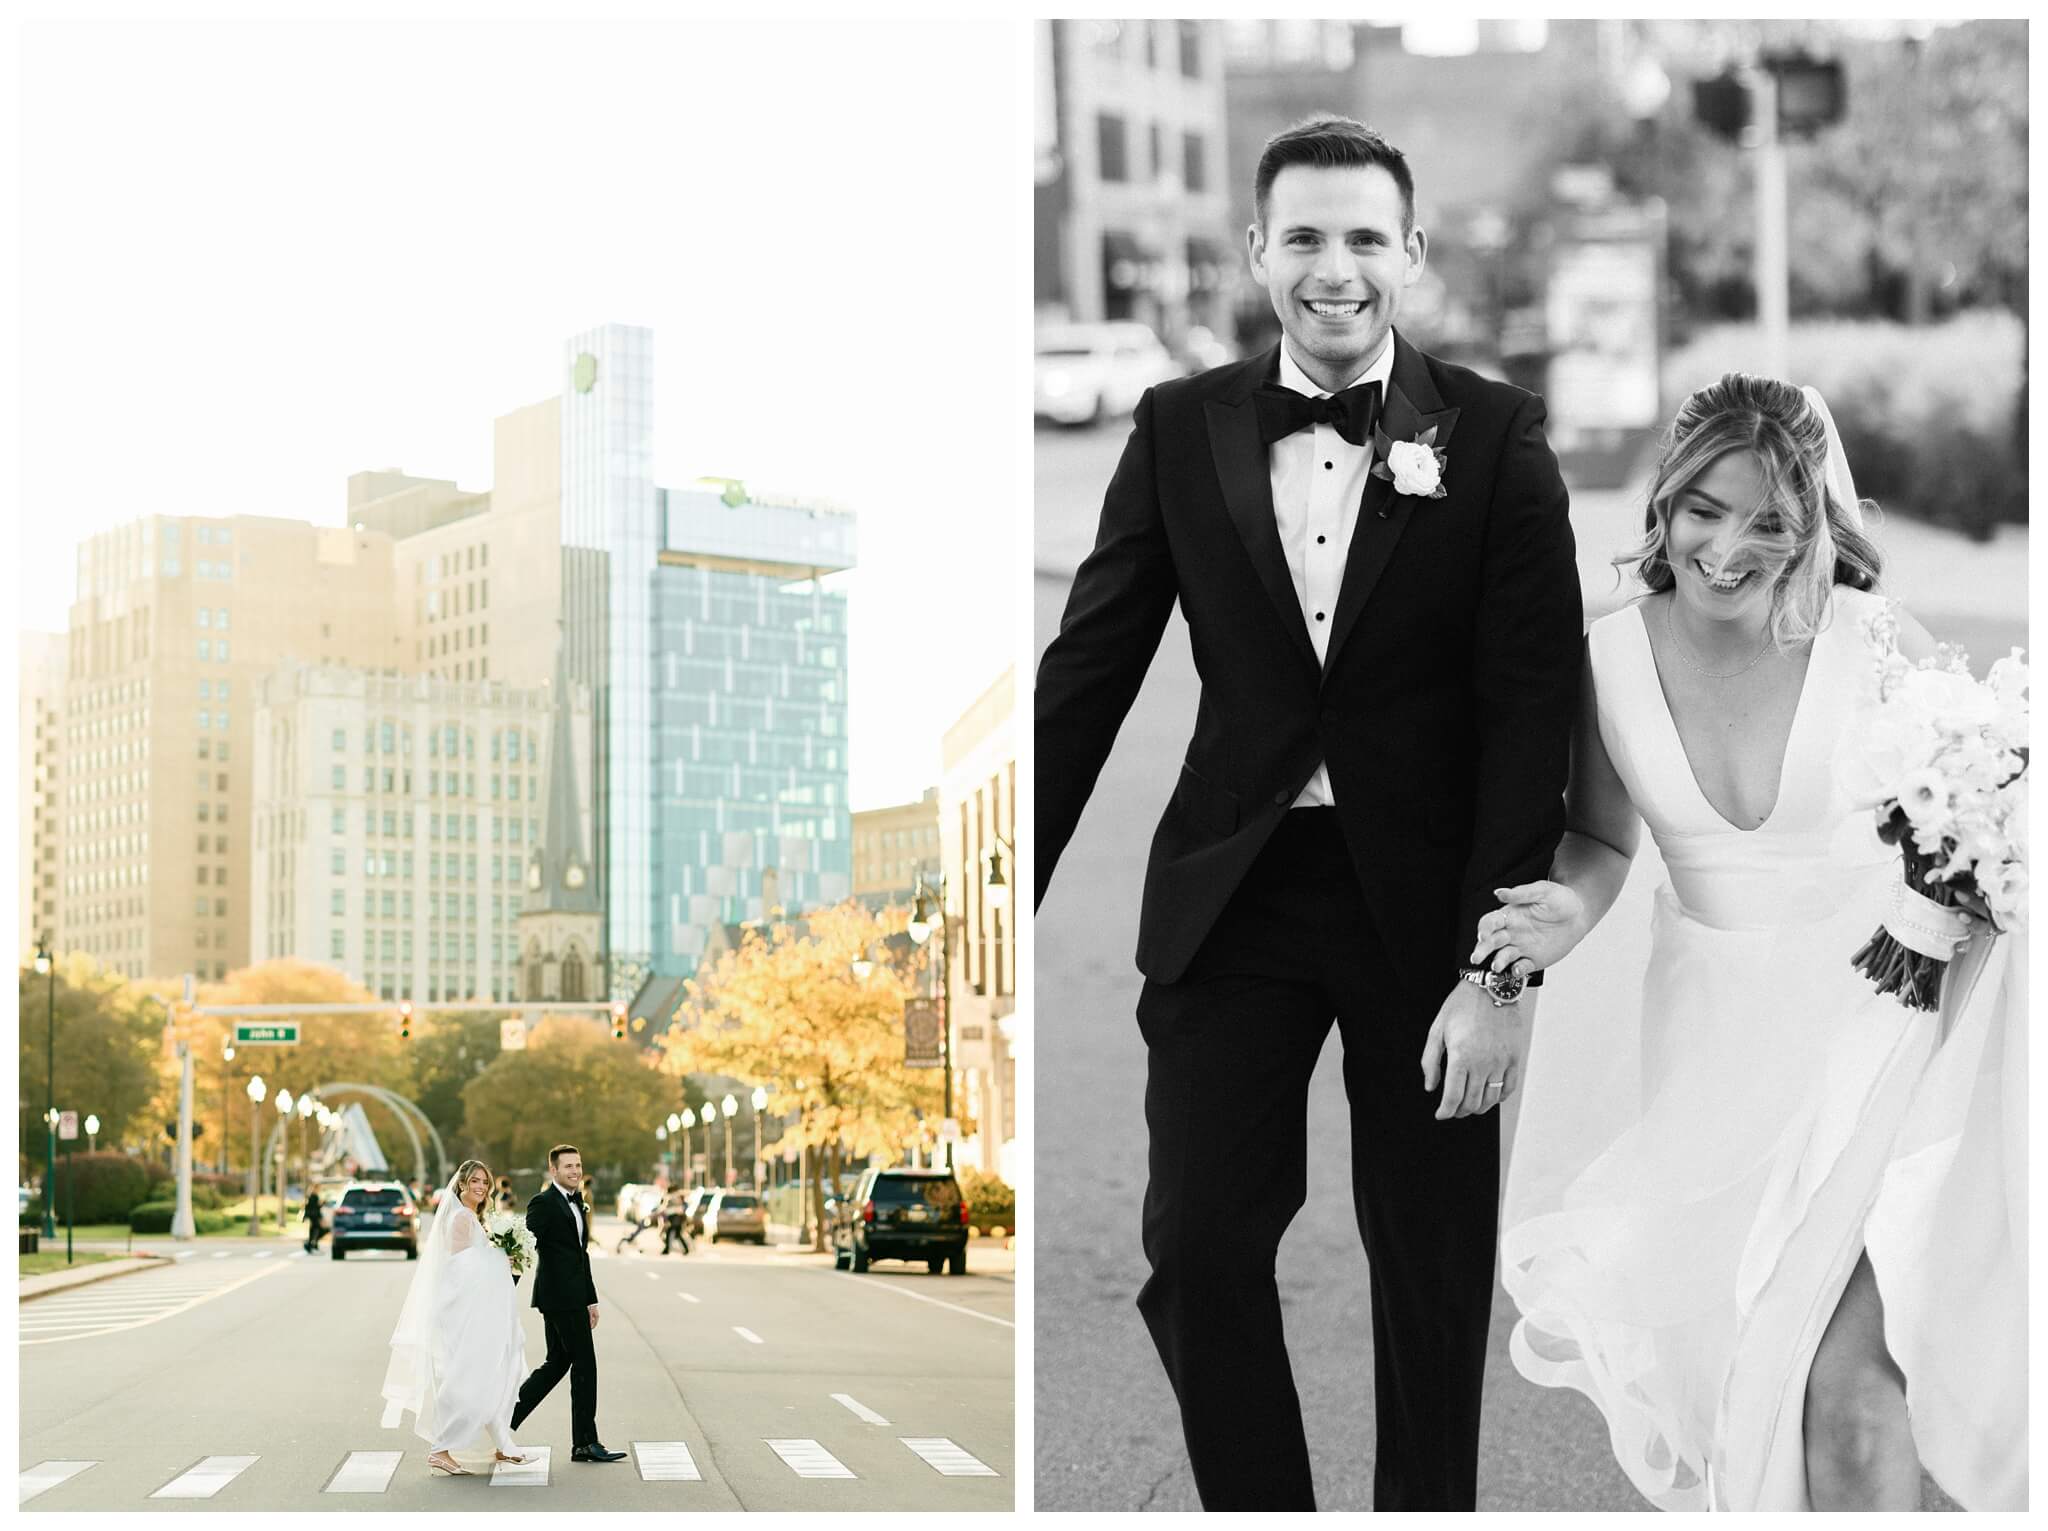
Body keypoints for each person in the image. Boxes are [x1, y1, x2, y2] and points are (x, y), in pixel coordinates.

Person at [1035, 115, 1582, 1511]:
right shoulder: (1178, 427)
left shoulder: (1499, 435)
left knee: (1431, 1270)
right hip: (1238, 890)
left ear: (1410, 255)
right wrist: (977, 913)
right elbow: (1086, 678)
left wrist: (1498, 969)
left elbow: (1532, 715)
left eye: (1361, 239)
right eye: (1303, 239)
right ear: (1257, 254)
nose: (1332, 269)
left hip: (1432, 903)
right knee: (1200, 1245)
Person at [1479, 375, 2026, 1510]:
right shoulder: (1608, 657)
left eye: (1769, 520)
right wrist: (1563, 914)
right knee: (1748, 1393)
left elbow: (1980, 825)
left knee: (1853, 1388)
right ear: (1664, 508)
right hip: (1706, 1070)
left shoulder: (1874, 642)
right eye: (1703, 510)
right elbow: (1598, 836)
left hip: (1873, 1056)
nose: (1727, 546)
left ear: (1812, 526)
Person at [381, 1159, 532, 1476]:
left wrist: (504, 1255)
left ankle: (502, 1445)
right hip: (463, 1314)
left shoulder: (473, 1217)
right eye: (475, 1181)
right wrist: (498, 1256)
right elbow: (459, 1267)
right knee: (464, 1380)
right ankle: (440, 1449)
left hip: (476, 1311)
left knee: (486, 1376)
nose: (480, 1187)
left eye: (485, 1183)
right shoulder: (461, 1218)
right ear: (461, 1184)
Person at [506, 1145, 625, 1463]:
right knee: (585, 1365)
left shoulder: (579, 1204)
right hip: (558, 1297)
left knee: (557, 1363)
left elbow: (579, 1255)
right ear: (553, 1171)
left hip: (575, 1297)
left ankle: (505, 1418)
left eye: (578, 1165)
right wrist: (504, 1282)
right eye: (568, 1166)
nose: (574, 1170)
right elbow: (524, 1244)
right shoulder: (543, 1204)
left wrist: (591, 1299)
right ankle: (585, 1442)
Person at [301, 1188, 326, 1254]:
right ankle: (311, 1245)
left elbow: (312, 1207)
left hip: (314, 1217)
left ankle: (313, 1245)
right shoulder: (313, 1197)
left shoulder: (311, 1197)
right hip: (313, 1217)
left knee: (314, 1232)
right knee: (315, 1231)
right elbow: (312, 1208)